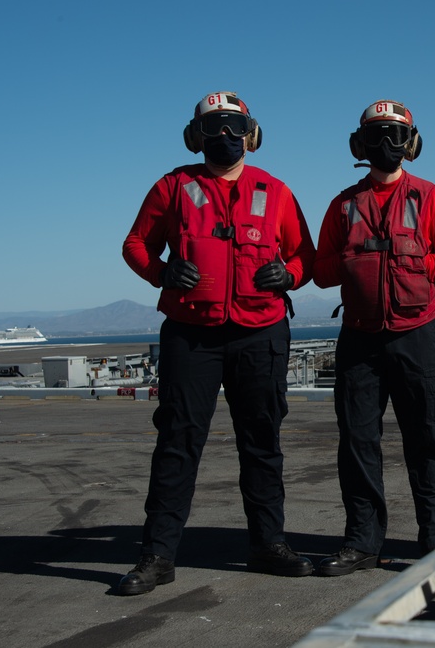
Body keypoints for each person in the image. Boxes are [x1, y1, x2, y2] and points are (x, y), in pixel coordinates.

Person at [118, 91, 317, 595]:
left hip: (261, 333)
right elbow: (135, 244)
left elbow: (307, 258)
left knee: (263, 444)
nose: (224, 137)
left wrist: (288, 275)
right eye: (213, 128)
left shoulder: (275, 190)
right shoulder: (173, 187)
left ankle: (268, 544)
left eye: (234, 126)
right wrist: (163, 273)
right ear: (195, 136)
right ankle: (158, 555)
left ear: (251, 132)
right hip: (191, 336)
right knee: (178, 443)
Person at [313, 100, 435, 575]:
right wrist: (354, 265)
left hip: (417, 335)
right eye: (378, 134)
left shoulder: (431, 196)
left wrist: (416, 264)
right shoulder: (343, 204)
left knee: (429, 441)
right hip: (359, 340)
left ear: (412, 142)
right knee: (358, 442)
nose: (387, 143)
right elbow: (320, 273)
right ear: (360, 143)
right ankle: (362, 542)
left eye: (397, 134)